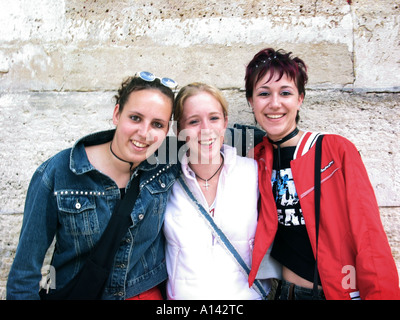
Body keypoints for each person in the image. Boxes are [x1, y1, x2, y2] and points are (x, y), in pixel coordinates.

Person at [7, 72, 181, 300]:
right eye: (135, 118)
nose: (144, 133)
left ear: (167, 130)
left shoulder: (166, 162)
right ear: (117, 114)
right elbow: (23, 275)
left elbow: (212, 137)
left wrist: (245, 146)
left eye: (157, 124)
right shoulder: (59, 173)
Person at [244, 48, 400, 300]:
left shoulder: (334, 150)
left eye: (285, 93)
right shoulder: (255, 160)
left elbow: (368, 234)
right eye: (263, 94)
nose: (274, 103)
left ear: (300, 99)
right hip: (280, 292)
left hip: (330, 293)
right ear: (251, 102)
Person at [163, 82, 274, 300]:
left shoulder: (253, 173)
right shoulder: (165, 183)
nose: (206, 129)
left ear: (225, 123)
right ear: (179, 130)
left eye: (214, 118)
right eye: (194, 121)